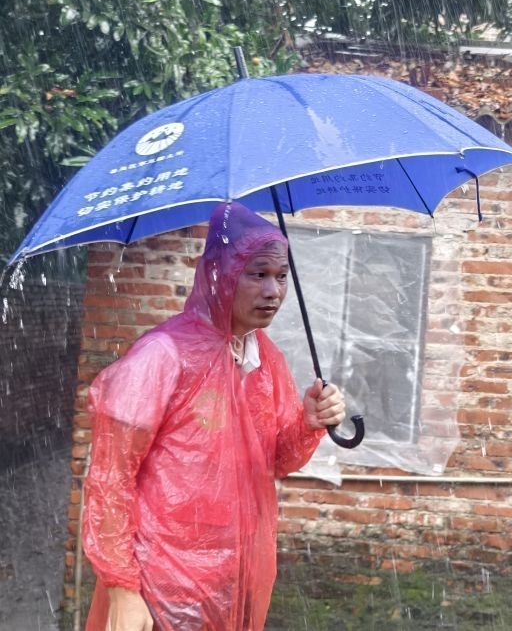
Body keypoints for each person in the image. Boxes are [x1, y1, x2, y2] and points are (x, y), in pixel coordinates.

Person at [82, 201, 346, 631]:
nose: (273, 291)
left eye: (281, 276)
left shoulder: (264, 358)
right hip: (160, 585)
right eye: (257, 274)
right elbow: (110, 479)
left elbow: (275, 461)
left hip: (234, 579)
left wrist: (308, 423)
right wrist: (123, 588)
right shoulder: (161, 356)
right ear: (221, 274)